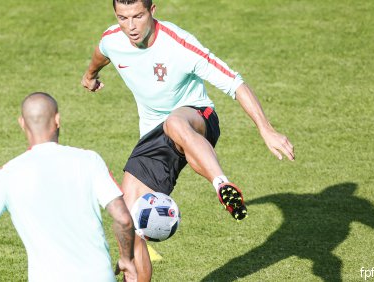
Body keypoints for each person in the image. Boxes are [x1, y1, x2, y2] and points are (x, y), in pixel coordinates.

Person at [81, 0, 295, 281]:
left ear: (153, 11)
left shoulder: (179, 45)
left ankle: (221, 184)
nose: (131, 26)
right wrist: (90, 75)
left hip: (197, 119)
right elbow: (101, 52)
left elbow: (235, 82)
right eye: (123, 18)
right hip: (153, 137)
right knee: (129, 220)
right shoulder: (113, 39)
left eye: (138, 16)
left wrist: (266, 129)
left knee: (174, 122)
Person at [0, 92, 137, 282]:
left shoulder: (6, 174)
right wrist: (126, 259)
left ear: (22, 123)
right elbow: (123, 219)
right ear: (57, 119)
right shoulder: (89, 160)